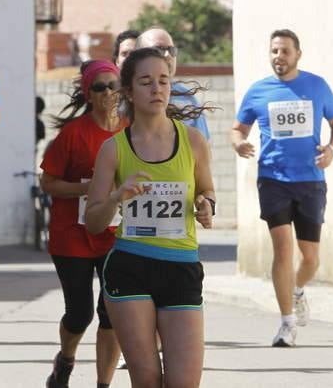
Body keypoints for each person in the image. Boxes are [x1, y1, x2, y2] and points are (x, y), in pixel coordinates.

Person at [85, 47, 216, 388]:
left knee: (184, 383)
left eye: (163, 81)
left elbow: (207, 191)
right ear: (128, 90)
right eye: (146, 82)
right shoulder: (114, 149)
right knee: (146, 380)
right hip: (130, 266)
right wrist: (117, 196)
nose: (157, 89)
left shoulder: (194, 141)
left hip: (181, 265)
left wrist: (206, 205)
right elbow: (94, 221)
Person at [231, 29, 333, 347]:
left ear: (298, 54)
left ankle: (297, 291)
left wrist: (332, 149)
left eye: (284, 51)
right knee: (282, 248)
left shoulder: (316, 85)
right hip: (273, 179)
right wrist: (239, 143)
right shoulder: (258, 91)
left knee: (310, 258)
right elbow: (237, 128)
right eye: (273, 51)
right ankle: (286, 324)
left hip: (310, 180)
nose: (278, 57)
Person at [39, 60, 124, 388]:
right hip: (71, 235)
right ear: (88, 94)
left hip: (114, 234)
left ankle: (103, 383)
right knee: (80, 313)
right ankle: (66, 360)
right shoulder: (74, 134)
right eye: (99, 87)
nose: (107, 93)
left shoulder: (130, 130)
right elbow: (48, 183)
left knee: (112, 311)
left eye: (113, 85)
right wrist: (90, 188)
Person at [136, 28, 210, 140]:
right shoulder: (127, 96)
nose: (167, 55)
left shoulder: (187, 98)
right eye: (158, 49)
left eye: (171, 50)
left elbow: (204, 146)